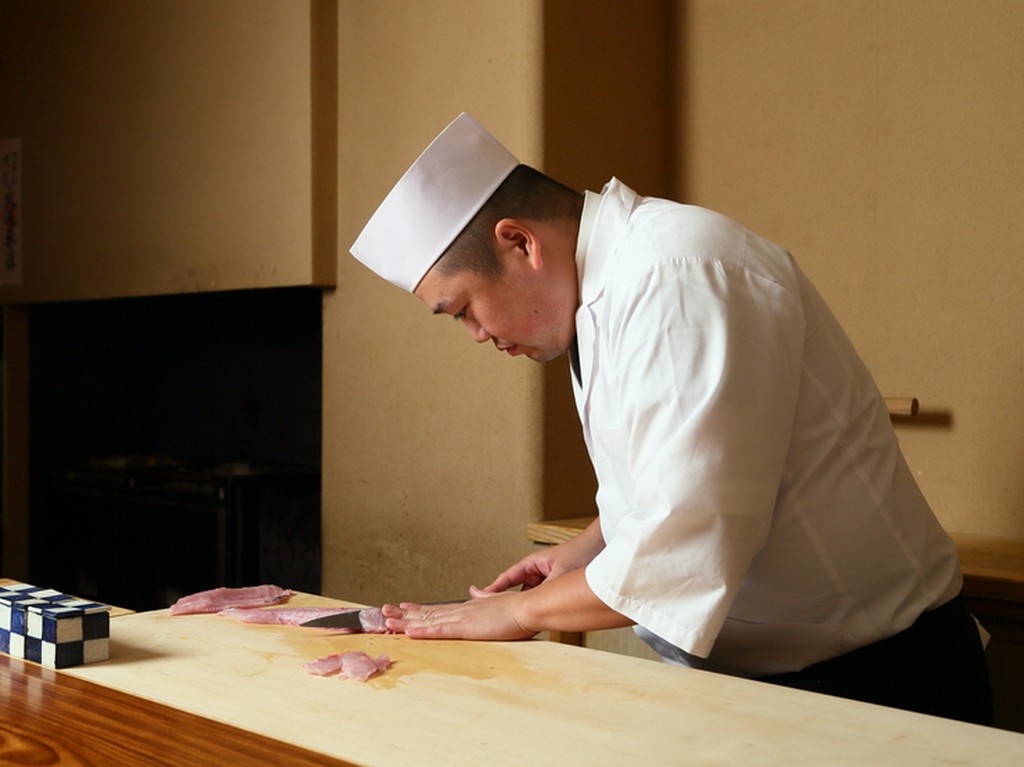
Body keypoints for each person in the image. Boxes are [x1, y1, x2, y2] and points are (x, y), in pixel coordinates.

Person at [350, 113, 992, 724]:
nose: (475, 334)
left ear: (520, 243)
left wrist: (521, 613)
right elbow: (682, 469)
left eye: (463, 308)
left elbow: (687, 534)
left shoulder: (679, 274)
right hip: (763, 682)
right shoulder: (606, 289)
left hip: (875, 681)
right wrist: (589, 546)